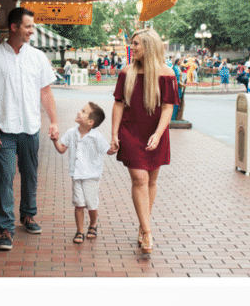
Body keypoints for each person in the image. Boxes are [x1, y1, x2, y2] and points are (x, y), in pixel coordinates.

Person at [0, 7, 59, 252]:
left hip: (30, 128)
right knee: (5, 178)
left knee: (30, 176)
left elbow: (46, 91)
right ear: (13, 27)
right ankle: (6, 229)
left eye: (32, 26)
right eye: (28, 26)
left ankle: (28, 215)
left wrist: (54, 121)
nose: (32, 30)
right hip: (3, 130)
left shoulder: (38, 57)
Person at [110, 28, 179, 254]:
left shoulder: (167, 73)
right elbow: (118, 103)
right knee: (140, 178)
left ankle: (143, 225)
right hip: (130, 131)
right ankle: (148, 232)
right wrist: (113, 134)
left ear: (149, 46)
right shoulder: (126, 72)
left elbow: (168, 107)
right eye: (133, 43)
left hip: (155, 131)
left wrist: (158, 134)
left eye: (137, 43)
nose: (133, 47)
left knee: (150, 181)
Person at [50, 101, 114, 244]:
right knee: (78, 203)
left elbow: (107, 150)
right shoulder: (71, 133)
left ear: (91, 122)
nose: (79, 112)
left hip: (92, 176)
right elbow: (62, 149)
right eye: (81, 110)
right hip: (76, 175)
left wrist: (114, 148)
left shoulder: (96, 136)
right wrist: (55, 141)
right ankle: (79, 230)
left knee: (91, 204)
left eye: (84, 111)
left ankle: (92, 225)